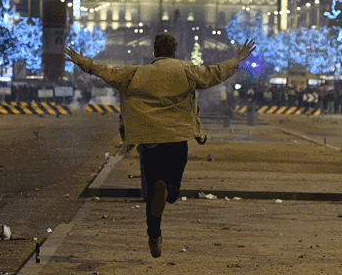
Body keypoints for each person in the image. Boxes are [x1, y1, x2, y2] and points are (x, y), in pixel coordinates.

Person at [64, 33, 256, 258]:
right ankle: (170, 190)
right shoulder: (186, 70)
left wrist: (83, 62)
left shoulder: (136, 73)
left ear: (154, 51)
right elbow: (213, 74)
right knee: (171, 189)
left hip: (149, 139)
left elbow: (108, 72)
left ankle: (154, 234)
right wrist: (238, 59)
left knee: (153, 188)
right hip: (177, 138)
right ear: (174, 52)